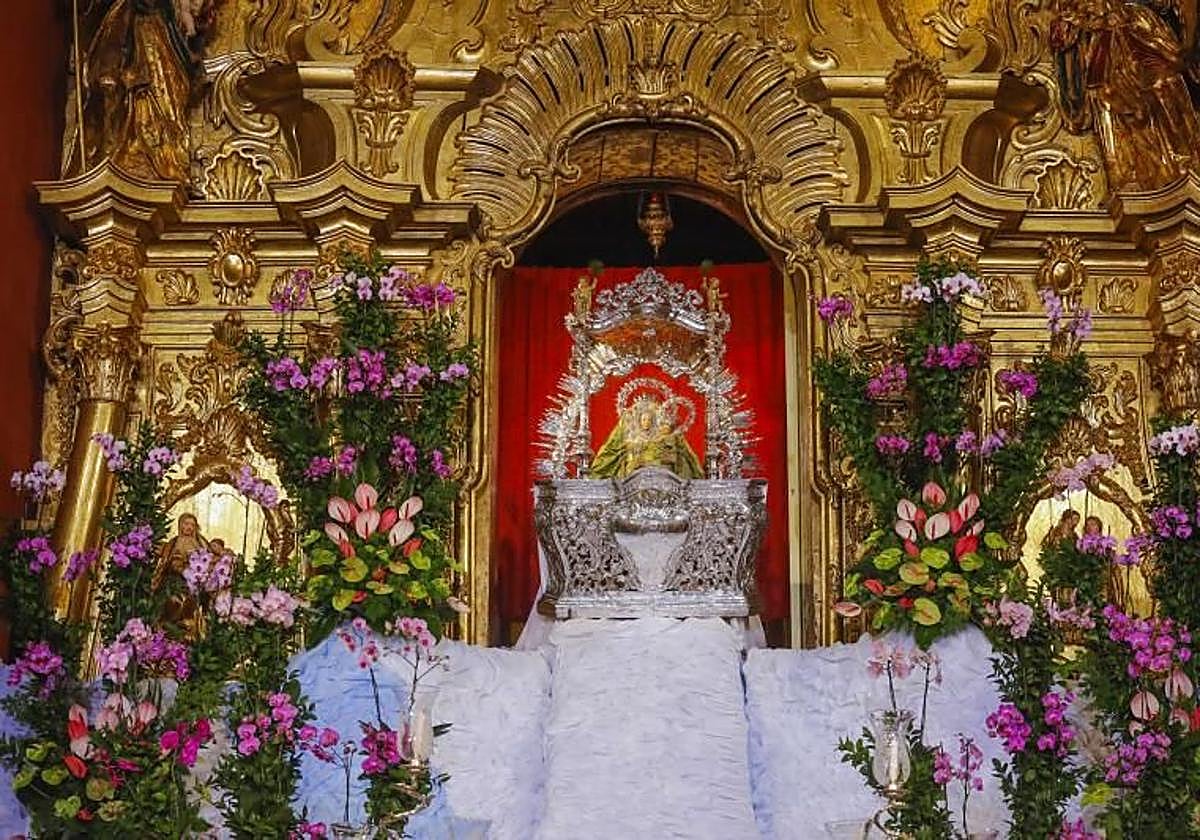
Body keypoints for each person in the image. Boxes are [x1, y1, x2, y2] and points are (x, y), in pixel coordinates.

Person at [591, 394, 703, 479]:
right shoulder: (631, 439)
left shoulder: (665, 438)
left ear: (654, 421)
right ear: (638, 421)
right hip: (634, 478)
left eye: (650, 420)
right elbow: (617, 454)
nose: (646, 422)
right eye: (644, 419)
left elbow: (674, 456)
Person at [153, 512, 208, 639]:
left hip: (192, 583)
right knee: (172, 604)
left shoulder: (199, 543)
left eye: (192, 525)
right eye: (186, 524)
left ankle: (186, 633)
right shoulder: (174, 542)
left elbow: (205, 560)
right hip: (173, 581)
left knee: (189, 608)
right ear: (180, 525)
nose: (189, 527)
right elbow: (168, 559)